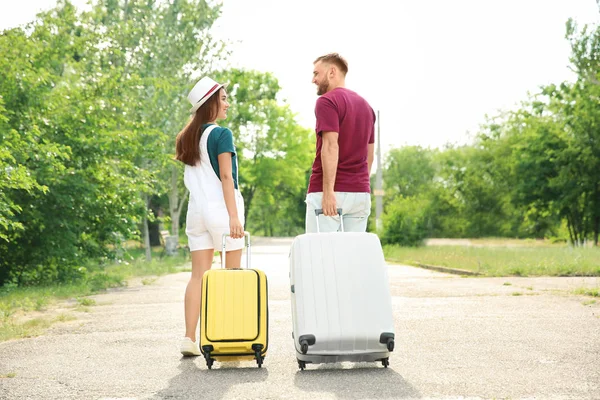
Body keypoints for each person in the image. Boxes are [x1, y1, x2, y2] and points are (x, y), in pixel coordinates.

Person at [174, 76, 245, 356]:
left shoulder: (188, 137)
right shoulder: (221, 134)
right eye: (224, 98)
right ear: (211, 102)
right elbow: (226, 176)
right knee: (231, 277)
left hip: (196, 214)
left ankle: (189, 338)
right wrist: (234, 216)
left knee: (198, 277)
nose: (227, 103)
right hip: (222, 212)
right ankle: (227, 336)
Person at [305, 53, 376, 233]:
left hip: (329, 193)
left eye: (316, 74)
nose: (313, 80)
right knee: (353, 256)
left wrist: (328, 192)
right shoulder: (366, 107)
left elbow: (330, 146)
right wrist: (361, 185)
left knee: (320, 254)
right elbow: (369, 155)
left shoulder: (326, 101)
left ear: (332, 72)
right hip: (360, 195)